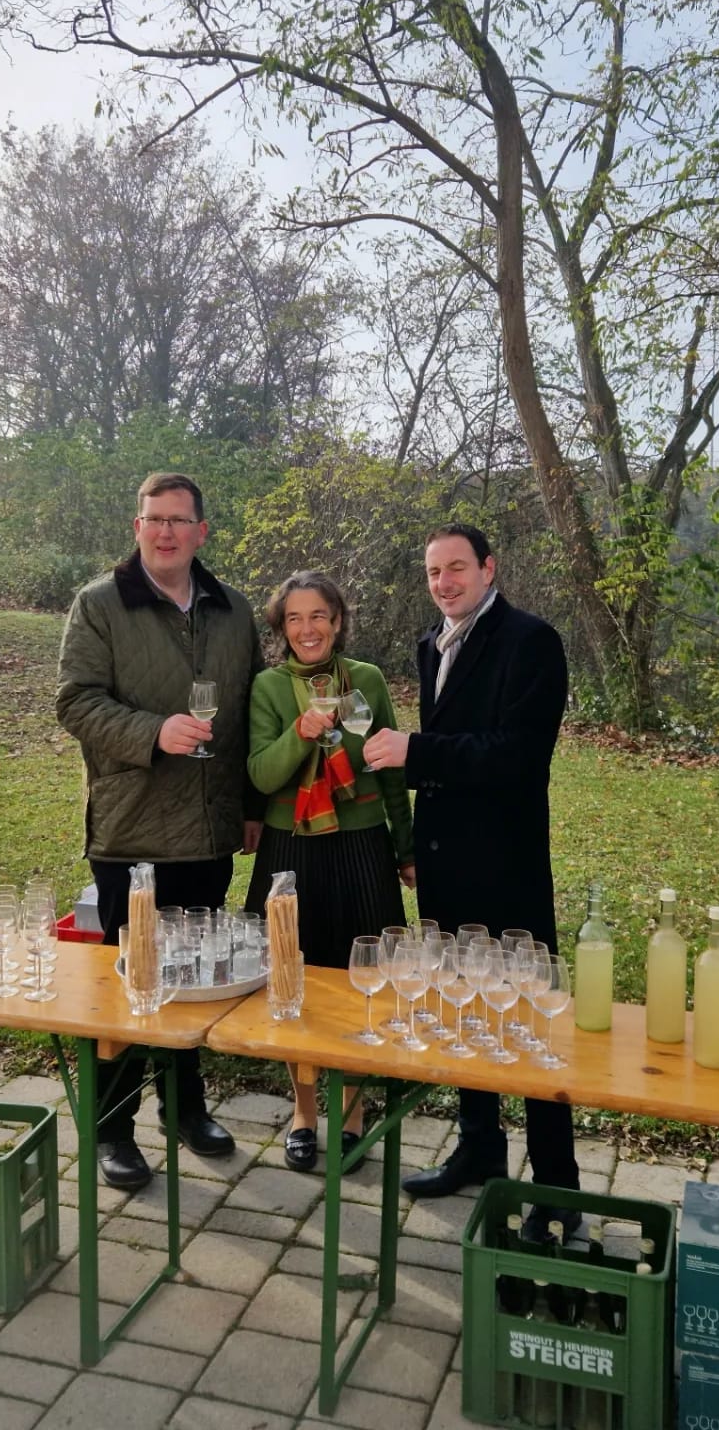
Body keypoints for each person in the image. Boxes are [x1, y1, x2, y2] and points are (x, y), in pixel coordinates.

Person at [363, 523, 580, 1241]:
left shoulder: (530, 640)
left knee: (531, 1024)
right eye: (433, 572)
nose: (444, 583)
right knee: (464, 1015)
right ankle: (480, 1148)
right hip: (446, 863)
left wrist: (415, 751)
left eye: (456, 568)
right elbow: (452, 751)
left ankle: (558, 1186)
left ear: (489, 568)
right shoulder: (433, 643)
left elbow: (518, 756)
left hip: (507, 866)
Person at [55, 471, 264, 1190]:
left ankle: (186, 1109)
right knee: (132, 984)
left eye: (179, 520)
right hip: (132, 829)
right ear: (137, 527)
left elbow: (252, 712)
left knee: (195, 978)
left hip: (209, 831)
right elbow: (74, 702)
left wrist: (252, 805)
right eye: (154, 519)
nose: (166, 531)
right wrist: (153, 732)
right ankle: (113, 1129)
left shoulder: (233, 609)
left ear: (201, 531)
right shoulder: (100, 604)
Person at [245, 571, 414, 1172]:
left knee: (361, 978)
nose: (307, 629)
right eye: (294, 618)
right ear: (281, 628)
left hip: (362, 847)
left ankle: (352, 1111)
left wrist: (405, 847)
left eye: (318, 615)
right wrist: (301, 732)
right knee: (293, 980)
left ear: (338, 622)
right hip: (291, 850)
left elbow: (391, 770)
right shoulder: (268, 687)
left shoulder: (366, 680)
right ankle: (303, 1112)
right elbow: (262, 775)